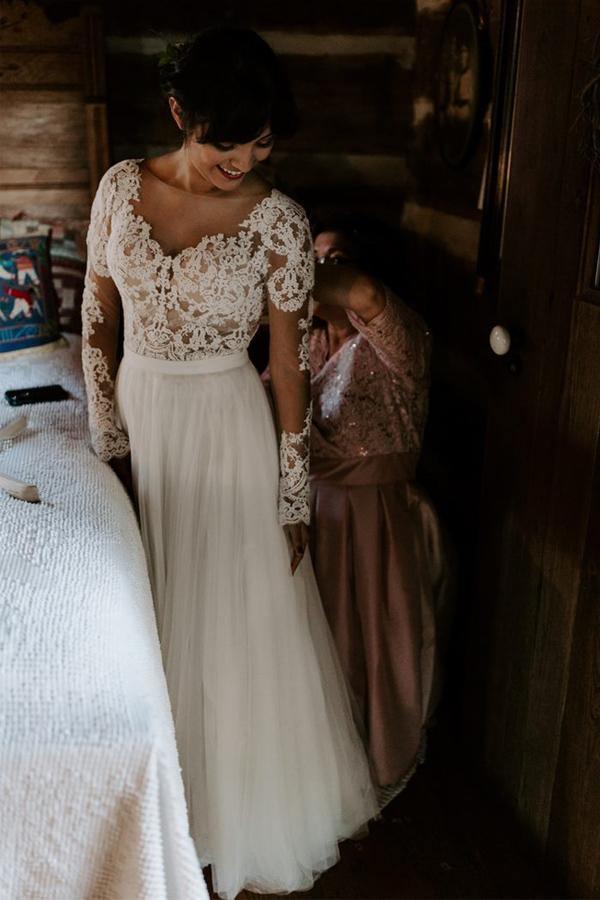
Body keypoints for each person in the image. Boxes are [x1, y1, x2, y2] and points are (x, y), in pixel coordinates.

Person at [81, 28, 377, 900]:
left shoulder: (279, 222)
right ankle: (148, 827)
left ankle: (225, 820)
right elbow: (98, 321)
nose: (243, 162)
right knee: (148, 617)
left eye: (262, 144)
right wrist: (109, 445)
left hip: (228, 428)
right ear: (181, 114)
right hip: (143, 415)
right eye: (226, 144)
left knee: (230, 623)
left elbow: (287, 365)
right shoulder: (119, 189)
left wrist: (293, 493)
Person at [308, 219, 450, 796]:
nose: (322, 271)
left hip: (377, 518)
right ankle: (323, 765)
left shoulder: (400, 339)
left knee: (376, 647)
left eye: (335, 259)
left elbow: (363, 295)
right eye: (314, 257)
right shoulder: (310, 342)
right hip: (318, 513)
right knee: (322, 645)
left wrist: (284, 270)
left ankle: (373, 764)